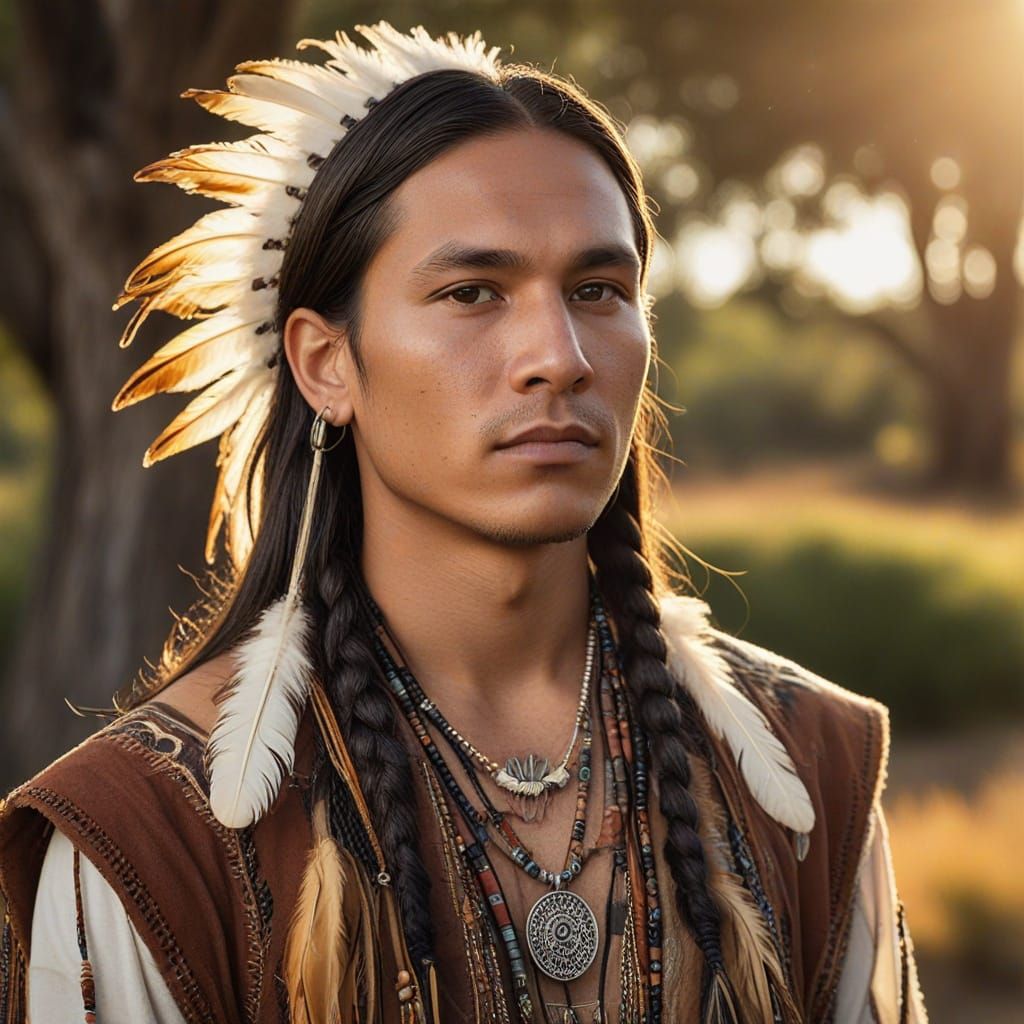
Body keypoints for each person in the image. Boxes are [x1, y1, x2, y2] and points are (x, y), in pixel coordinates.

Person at [0, 21, 928, 1024]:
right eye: (473, 291)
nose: (559, 354)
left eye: (597, 290)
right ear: (326, 364)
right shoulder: (154, 839)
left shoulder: (802, 775)